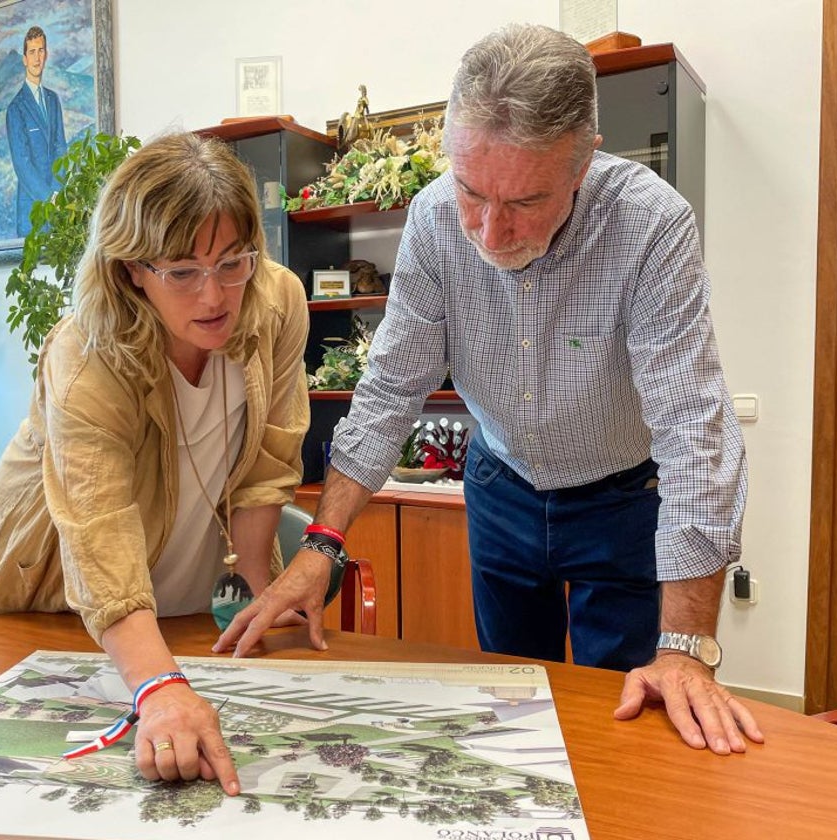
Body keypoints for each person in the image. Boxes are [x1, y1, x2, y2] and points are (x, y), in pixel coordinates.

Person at [217, 23, 764, 756]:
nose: (490, 231)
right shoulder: (436, 220)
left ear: (582, 164)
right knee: (512, 710)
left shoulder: (649, 225)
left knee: (628, 719)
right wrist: (323, 543)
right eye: (473, 191)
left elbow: (694, 434)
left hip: (624, 502)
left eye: (526, 201)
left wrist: (686, 645)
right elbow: (386, 396)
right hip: (501, 492)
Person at [0, 131, 310, 793]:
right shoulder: (85, 357)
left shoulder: (276, 302)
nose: (213, 295)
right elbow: (98, 531)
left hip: (190, 610)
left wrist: (248, 594)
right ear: (131, 268)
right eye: (181, 271)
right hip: (78, 616)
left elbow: (269, 461)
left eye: (232, 262)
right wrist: (157, 683)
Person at [6, 25, 67, 237]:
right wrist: (49, 196)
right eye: (32, 52)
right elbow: (22, 164)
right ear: (24, 58)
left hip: (58, 207)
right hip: (32, 209)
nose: (37, 57)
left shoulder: (52, 99)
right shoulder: (16, 108)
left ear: (46, 54)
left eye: (40, 50)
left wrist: (58, 193)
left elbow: (61, 149)